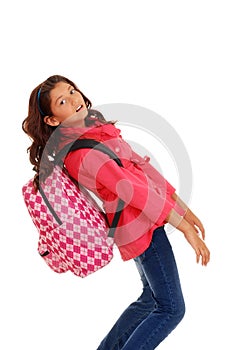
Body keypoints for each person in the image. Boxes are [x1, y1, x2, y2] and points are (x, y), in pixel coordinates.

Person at [22, 75, 210, 349]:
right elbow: (134, 190)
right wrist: (183, 227)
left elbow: (143, 170)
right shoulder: (83, 153)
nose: (75, 99)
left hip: (144, 221)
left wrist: (183, 209)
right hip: (140, 226)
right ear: (51, 120)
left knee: (150, 299)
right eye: (63, 101)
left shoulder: (95, 133)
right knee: (171, 309)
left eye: (72, 91)